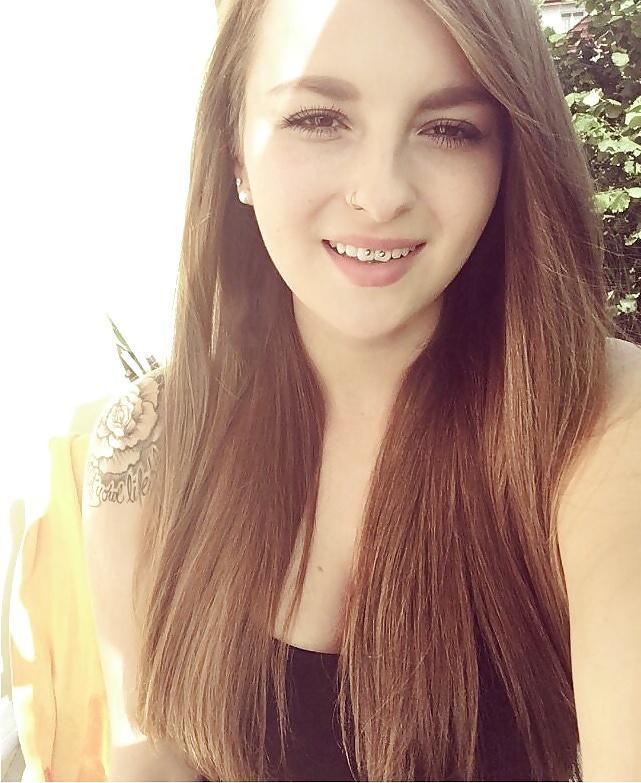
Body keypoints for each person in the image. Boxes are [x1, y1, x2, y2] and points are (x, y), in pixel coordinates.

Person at [81, 0, 641, 780]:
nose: (380, 195)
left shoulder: (600, 422)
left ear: (508, 160)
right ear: (234, 154)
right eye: (318, 119)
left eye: (449, 129)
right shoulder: (143, 447)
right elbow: (149, 755)